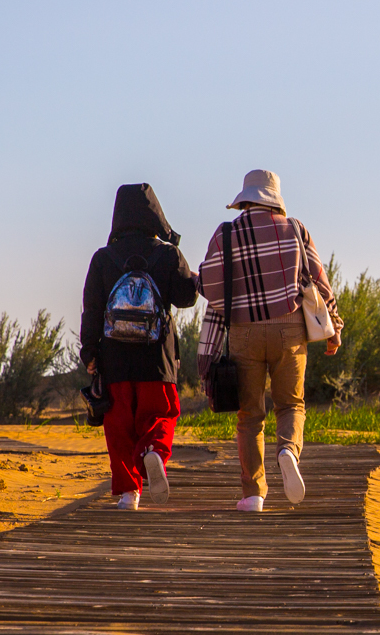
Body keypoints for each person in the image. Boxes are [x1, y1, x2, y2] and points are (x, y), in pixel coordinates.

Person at [198, 170, 343, 512]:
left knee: (250, 415)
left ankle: (253, 495)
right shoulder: (294, 228)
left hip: (244, 333)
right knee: (291, 405)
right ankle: (288, 452)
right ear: (274, 199)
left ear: (245, 200)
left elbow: (209, 287)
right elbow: (320, 282)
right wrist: (334, 326)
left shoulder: (226, 234)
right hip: (289, 330)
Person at [80, 184, 198, 511]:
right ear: (155, 215)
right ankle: (153, 453)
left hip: (113, 357)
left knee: (118, 426)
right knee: (160, 413)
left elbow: (91, 308)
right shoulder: (166, 253)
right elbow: (186, 297)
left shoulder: (103, 258)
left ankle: (129, 494)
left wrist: (89, 352)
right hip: (157, 357)